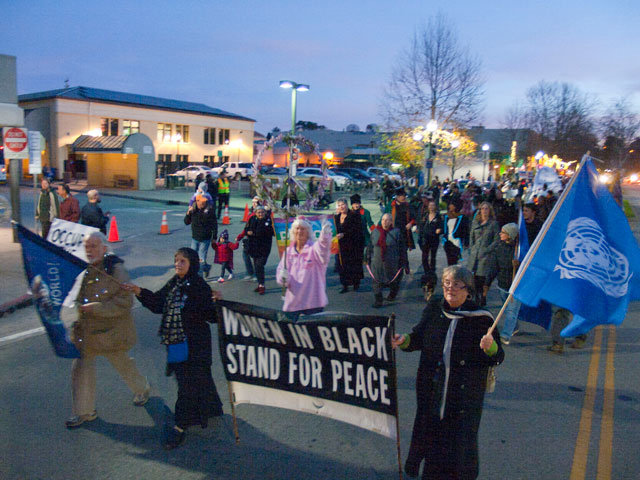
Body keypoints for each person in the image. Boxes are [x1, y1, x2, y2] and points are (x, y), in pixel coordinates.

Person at [392, 265, 505, 479]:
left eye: (456, 284)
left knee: (458, 450)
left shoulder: (482, 319)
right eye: (446, 283)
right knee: (432, 443)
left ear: (467, 290)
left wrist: (490, 347)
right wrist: (403, 340)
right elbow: (418, 337)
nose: (450, 288)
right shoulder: (435, 307)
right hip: (432, 391)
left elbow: (498, 357)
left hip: (462, 399)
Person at [124, 248, 224, 449]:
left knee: (187, 385)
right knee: (195, 379)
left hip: (196, 344)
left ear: (192, 264)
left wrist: (218, 304)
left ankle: (180, 426)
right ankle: (211, 409)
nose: (177, 264)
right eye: (176, 261)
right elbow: (159, 304)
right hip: (178, 342)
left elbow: (211, 317)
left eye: (182, 262)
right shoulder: (174, 283)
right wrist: (139, 291)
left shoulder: (199, 286)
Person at [66, 232, 150, 428]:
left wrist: (97, 308)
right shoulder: (80, 268)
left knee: (122, 363)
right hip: (86, 332)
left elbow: (125, 301)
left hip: (110, 332)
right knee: (80, 369)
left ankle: (142, 388)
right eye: (87, 246)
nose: (89, 250)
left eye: (94, 246)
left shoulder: (115, 270)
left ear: (104, 248)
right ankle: (84, 411)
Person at [276, 218, 333, 318]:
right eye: (297, 228)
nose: (299, 231)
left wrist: (325, 236)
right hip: (293, 302)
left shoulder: (314, 249)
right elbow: (281, 278)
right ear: (293, 231)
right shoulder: (288, 252)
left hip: (313, 303)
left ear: (308, 232)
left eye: (303, 229)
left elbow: (323, 250)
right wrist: (283, 277)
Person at [367, 213, 408, 308]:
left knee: (394, 280)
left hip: (392, 263)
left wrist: (404, 262)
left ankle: (392, 294)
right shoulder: (375, 232)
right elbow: (370, 246)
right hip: (377, 263)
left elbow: (402, 248)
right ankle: (378, 300)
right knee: (376, 280)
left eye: (387, 220)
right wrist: (367, 258)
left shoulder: (397, 233)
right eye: (383, 220)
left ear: (391, 222)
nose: (384, 222)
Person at [467, 202, 500, 306]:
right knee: (473, 278)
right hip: (474, 254)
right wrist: (472, 248)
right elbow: (471, 236)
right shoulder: (475, 222)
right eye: (483, 209)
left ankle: (481, 297)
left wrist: (487, 249)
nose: (484, 211)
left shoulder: (493, 224)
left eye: (487, 209)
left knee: (482, 278)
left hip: (485, 256)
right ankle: (476, 298)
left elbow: (496, 240)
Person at [493, 223, 521, 344]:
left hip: (516, 286)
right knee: (508, 310)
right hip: (503, 284)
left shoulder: (519, 250)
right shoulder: (500, 247)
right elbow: (495, 265)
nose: (500, 234)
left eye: (503, 232)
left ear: (510, 235)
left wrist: (518, 265)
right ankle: (514, 326)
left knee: (511, 311)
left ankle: (505, 335)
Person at [334, 198, 365, 292]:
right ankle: (344, 285)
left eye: (343, 204)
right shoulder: (336, 217)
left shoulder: (354, 216)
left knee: (353, 264)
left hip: (353, 245)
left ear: (347, 205)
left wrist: (344, 234)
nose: (341, 207)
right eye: (339, 205)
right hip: (341, 246)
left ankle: (356, 283)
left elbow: (357, 230)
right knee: (342, 265)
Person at [242, 206, 274, 295]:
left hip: (264, 248)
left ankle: (262, 285)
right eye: (258, 212)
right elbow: (246, 229)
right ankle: (260, 284)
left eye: (262, 212)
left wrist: (254, 233)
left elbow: (266, 232)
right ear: (255, 213)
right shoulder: (252, 219)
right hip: (254, 247)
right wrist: (248, 232)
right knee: (256, 266)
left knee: (260, 265)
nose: (260, 214)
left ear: (265, 213)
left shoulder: (268, 221)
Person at [184, 194, 218, 278]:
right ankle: (206, 268)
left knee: (201, 258)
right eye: (202, 202)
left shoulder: (210, 211)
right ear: (197, 202)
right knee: (192, 257)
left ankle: (199, 279)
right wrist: (188, 213)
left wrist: (214, 238)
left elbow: (214, 225)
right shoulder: (193, 210)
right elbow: (186, 222)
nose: (203, 204)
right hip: (195, 238)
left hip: (205, 238)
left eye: (205, 202)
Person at [417, 196, 443, 299]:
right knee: (424, 257)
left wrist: (439, 230)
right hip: (425, 239)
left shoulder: (438, 217)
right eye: (430, 205)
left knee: (432, 257)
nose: (431, 207)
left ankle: (432, 272)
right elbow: (422, 226)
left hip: (434, 240)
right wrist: (419, 230)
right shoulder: (425, 216)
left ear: (435, 207)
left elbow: (442, 227)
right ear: (428, 207)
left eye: (433, 205)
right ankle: (427, 272)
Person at [237, 196, 262, 281]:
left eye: (256, 202)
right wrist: (240, 236)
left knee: (255, 257)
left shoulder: (260, 214)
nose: (254, 204)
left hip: (257, 238)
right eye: (253, 202)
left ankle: (255, 274)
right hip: (249, 238)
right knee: (245, 254)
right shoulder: (251, 214)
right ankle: (250, 272)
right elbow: (246, 227)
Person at [441, 199, 470, 266]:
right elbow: (444, 228)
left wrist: (466, 242)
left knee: (454, 261)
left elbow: (466, 231)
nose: (449, 206)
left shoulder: (462, 218)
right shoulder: (447, 217)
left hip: (456, 241)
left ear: (455, 206)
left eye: (451, 205)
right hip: (447, 241)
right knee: (449, 261)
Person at [391, 187, 416, 255]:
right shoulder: (391, 206)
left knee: (403, 253)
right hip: (393, 232)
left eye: (405, 196)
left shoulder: (408, 206)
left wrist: (411, 223)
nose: (404, 198)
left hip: (404, 233)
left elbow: (414, 217)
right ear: (397, 197)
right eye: (403, 196)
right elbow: (385, 217)